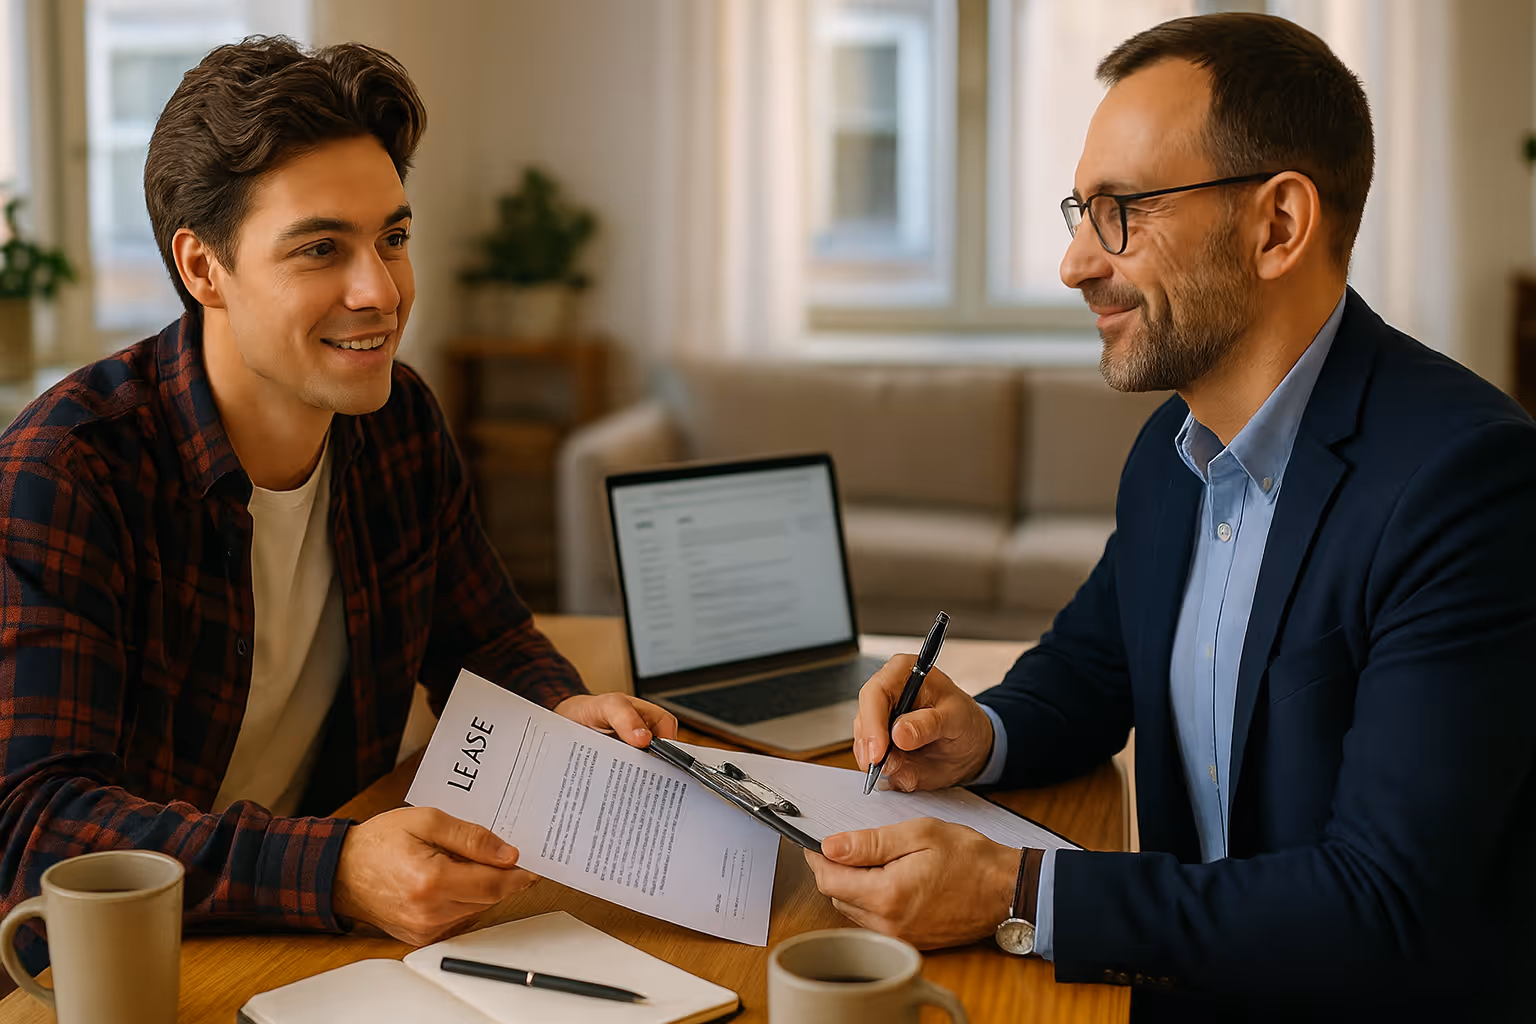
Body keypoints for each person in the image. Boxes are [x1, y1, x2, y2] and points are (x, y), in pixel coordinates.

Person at [806, 13, 1536, 1021]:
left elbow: (1387, 904)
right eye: (1080, 210)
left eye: (1122, 211)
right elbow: (1096, 667)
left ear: (1278, 224)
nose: (1074, 264)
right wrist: (981, 734)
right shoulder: (1174, 448)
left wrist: (1015, 890)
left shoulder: (1467, 481)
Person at [0, 37, 677, 974]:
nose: (382, 291)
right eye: (322, 248)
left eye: (393, 237)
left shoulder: (399, 419)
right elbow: (37, 826)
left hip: (326, 939)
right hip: (141, 967)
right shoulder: (67, 472)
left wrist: (562, 708)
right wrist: (339, 869)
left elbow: (482, 638)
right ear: (203, 269)